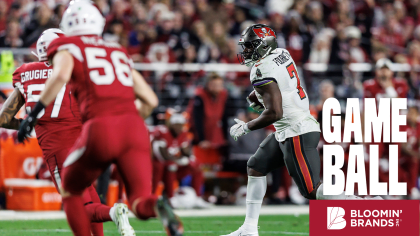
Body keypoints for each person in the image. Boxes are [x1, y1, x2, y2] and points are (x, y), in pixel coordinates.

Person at [17, 1, 183, 236]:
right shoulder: (116, 50)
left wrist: (32, 115)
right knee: (139, 201)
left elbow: (61, 75)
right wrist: (128, 123)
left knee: (71, 191)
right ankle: (157, 205)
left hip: (101, 127)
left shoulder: (69, 47)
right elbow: (151, 101)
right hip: (134, 128)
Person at [225, 24, 381, 236]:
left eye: (251, 46)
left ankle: (366, 205)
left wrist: (246, 126)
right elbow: (280, 87)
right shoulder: (282, 53)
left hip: (295, 131)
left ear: (264, 46)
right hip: (292, 125)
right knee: (256, 166)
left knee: (312, 191)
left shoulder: (261, 70)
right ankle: (249, 229)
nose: (246, 51)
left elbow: (274, 113)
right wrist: (256, 96)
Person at [0, 28, 133, 236]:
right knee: (88, 193)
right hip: (84, 141)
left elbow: (3, 118)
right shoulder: (73, 68)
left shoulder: (25, 71)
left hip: (57, 146)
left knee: (76, 203)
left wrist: (27, 125)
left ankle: (114, 212)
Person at [152, 112, 211, 208]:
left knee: (196, 164)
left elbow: (187, 152)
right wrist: (179, 159)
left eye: (181, 125)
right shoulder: (162, 132)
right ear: (171, 125)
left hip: (175, 168)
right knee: (171, 164)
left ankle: (197, 198)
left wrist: (187, 157)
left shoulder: (183, 134)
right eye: (176, 125)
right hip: (161, 168)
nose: (178, 128)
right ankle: (171, 198)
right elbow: (163, 156)